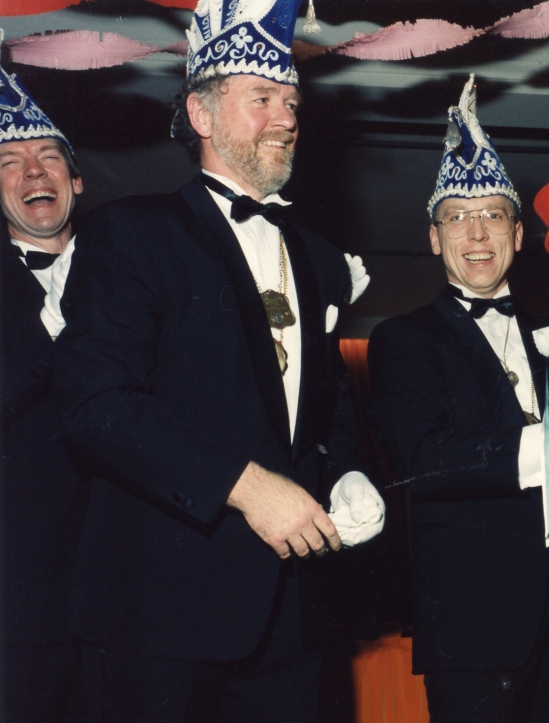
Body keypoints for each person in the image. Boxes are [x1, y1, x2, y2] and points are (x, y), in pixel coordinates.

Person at [53, 1, 384, 720]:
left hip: (291, 619)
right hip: (159, 616)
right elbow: (95, 404)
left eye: (291, 102)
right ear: (201, 114)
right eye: (261, 99)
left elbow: (325, 403)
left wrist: (348, 470)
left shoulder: (321, 260)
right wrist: (247, 487)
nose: (285, 117)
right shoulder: (132, 233)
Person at [367, 76, 549, 723]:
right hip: (473, 627)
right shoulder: (402, 340)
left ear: (519, 233)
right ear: (434, 237)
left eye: (493, 215)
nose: (477, 233)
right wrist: (547, 444)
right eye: (457, 216)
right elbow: (423, 460)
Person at [0, 59, 87, 723]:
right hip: (18, 594)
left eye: (49, 156)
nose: (34, 172)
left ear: (75, 180)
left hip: (127, 590)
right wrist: (47, 335)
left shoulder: (135, 274)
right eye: (11, 162)